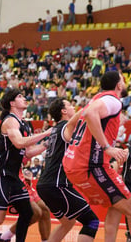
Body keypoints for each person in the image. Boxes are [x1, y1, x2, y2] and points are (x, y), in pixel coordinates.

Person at [62, 71, 131, 242]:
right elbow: (89, 115)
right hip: (90, 166)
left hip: (73, 164)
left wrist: (75, 146)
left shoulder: (95, 100)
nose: (124, 82)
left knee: (116, 206)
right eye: (123, 79)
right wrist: (107, 147)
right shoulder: (113, 100)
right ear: (119, 85)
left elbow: (71, 124)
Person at [36, 98, 99, 242]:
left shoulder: (55, 131)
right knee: (91, 221)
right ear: (63, 111)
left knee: (68, 222)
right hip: (56, 185)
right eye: (70, 105)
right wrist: (94, 104)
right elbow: (80, 117)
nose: (73, 107)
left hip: (45, 185)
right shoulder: (65, 126)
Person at [0, 88, 51, 242]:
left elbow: (27, 153)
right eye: (20, 96)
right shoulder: (10, 121)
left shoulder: (24, 125)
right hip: (2, 174)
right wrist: (46, 133)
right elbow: (19, 143)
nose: (24, 98)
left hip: (14, 176)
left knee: (28, 213)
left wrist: (46, 144)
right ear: (12, 103)